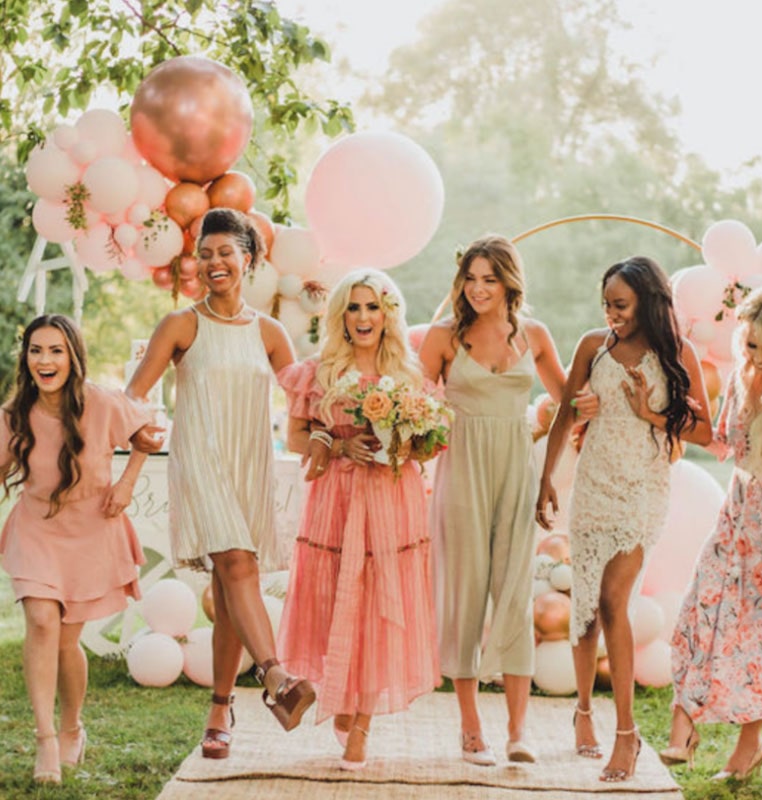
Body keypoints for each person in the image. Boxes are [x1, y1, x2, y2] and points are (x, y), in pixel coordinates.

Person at [126, 208, 314, 760]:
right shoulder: (181, 325)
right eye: (205, 254)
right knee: (235, 562)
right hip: (200, 459)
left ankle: (219, 709)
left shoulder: (270, 333)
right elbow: (135, 395)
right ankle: (276, 677)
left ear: (247, 259)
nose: (214, 263)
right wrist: (134, 429)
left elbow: (304, 405)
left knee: (234, 578)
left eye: (225, 252)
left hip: (249, 463)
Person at [419, 235, 597, 766]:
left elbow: (568, 402)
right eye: (470, 279)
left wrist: (574, 423)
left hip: (517, 474)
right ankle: (471, 729)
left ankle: (519, 731)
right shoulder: (443, 337)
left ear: (509, 283)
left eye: (489, 279)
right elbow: (414, 406)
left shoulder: (534, 335)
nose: (478, 289)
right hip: (462, 474)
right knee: (466, 597)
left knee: (515, 596)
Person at [536, 255, 712, 782]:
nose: (611, 314)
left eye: (621, 305)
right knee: (586, 607)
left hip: (642, 491)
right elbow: (565, 412)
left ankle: (627, 734)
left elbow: (705, 432)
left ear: (649, 302)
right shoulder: (594, 346)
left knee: (613, 600)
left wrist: (650, 415)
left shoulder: (678, 353)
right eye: (606, 305)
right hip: (594, 485)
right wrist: (546, 478)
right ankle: (583, 712)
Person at [277, 269, 441, 770]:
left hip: (392, 499)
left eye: (373, 307)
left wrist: (410, 442)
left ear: (388, 314)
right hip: (337, 497)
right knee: (334, 599)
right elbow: (295, 438)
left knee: (381, 605)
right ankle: (344, 697)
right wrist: (337, 444)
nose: (363, 317)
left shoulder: (409, 375)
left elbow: (429, 445)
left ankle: (363, 725)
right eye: (354, 307)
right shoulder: (318, 372)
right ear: (341, 316)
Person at [0, 314, 153, 784]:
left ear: (73, 357)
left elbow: (146, 433)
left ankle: (72, 727)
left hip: (91, 528)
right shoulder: (14, 414)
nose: (45, 360)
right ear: (26, 359)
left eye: (56, 350)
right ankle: (45, 739)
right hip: (37, 528)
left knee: (67, 641)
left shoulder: (101, 402)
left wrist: (126, 483)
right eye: (36, 350)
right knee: (42, 621)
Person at [662, 285, 762, 781]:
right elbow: (722, 442)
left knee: (749, 635)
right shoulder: (742, 379)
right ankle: (684, 728)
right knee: (697, 611)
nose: (753, 355)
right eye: (748, 343)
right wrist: (660, 414)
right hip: (738, 519)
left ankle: (744, 747)